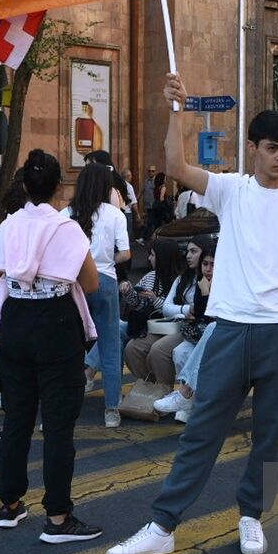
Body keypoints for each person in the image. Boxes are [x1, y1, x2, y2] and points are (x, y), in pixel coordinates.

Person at [107, 78, 278, 554]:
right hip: (228, 330)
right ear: (251, 148)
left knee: (269, 435)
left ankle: (251, 516)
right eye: (272, 149)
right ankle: (163, 525)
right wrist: (175, 110)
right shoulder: (231, 190)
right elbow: (175, 166)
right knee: (202, 431)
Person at [0, 149, 104, 543]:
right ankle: (57, 517)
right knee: (57, 425)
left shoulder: (8, 225)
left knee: (17, 417)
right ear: (59, 186)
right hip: (56, 324)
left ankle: (9, 504)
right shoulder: (66, 228)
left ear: (23, 184)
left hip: (16, 320)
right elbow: (90, 284)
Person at [66, 161, 132, 427]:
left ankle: (65, 405)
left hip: (73, 284)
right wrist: (104, 260)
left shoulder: (66, 213)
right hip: (105, 281)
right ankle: (112, 410)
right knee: (109, 346)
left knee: (68, 347)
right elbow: (127, 253)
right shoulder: (115, 214)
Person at [152, 239, 217, 422]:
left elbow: (208, 315)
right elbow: (171, 308)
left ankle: (185, 395)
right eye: (205, 264)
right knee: (180, 352)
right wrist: (193, 304)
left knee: (161, 349)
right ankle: (187, 401)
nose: (208, 269)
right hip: (195, 332)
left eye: (213, 264)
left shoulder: (223, 283)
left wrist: (205, 294)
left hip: (216, 332)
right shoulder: (195, 280)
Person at [120, 238, 190, 389]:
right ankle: (149, 386)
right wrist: (129, 291)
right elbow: (137, 303)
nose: (149, 258)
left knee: (157, 350)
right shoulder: (150, 276)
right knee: (132, 349)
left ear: (163, 257)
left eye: (152, 255)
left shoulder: (182, 279)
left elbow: (179, 309)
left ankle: (163, 388)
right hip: (153, 327)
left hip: (175, 328)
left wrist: (155, 299)